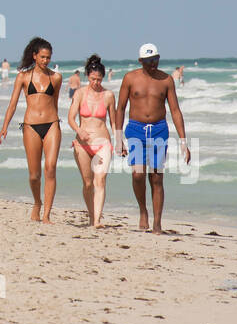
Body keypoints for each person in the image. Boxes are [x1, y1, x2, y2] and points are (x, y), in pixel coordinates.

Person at [115, 44, 190, 235]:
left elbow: (175, 110)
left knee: (157, 177)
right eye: (148, 61)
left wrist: (183, 141)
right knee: (137, 174)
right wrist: (118, 138)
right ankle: (143, 210)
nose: (153, 64)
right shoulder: (130, 78)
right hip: (135, 129)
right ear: (141, 61)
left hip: (159, 130)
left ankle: (157, 222)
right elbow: (121, 108)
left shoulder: (166, 80)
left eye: (155, 59)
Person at [0, 37, 63, 224]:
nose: (45, 61)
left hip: (52, 125)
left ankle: (47, 215)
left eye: (48, 57)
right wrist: (4, 127)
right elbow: (12, 104)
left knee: (50, 168)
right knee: (34, 175)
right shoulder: (24, 77)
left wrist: (57, 124)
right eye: (42, 57)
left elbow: (55, 103)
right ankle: (37, 202)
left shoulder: (56, 78)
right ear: (34, 56)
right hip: (30, 126)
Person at [66, 55, 115, 228]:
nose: (96, 82)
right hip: (82, 144)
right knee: (88, 183)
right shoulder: (79, 94)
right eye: (93, 79)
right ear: (88, 76)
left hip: (103, 143)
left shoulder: (108, 95)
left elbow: (114, 121)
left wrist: (120, 140)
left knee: (99, 181)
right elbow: (70, 118)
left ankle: (97, 221)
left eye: (99, 79)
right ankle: (92, 215)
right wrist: (79, 130)